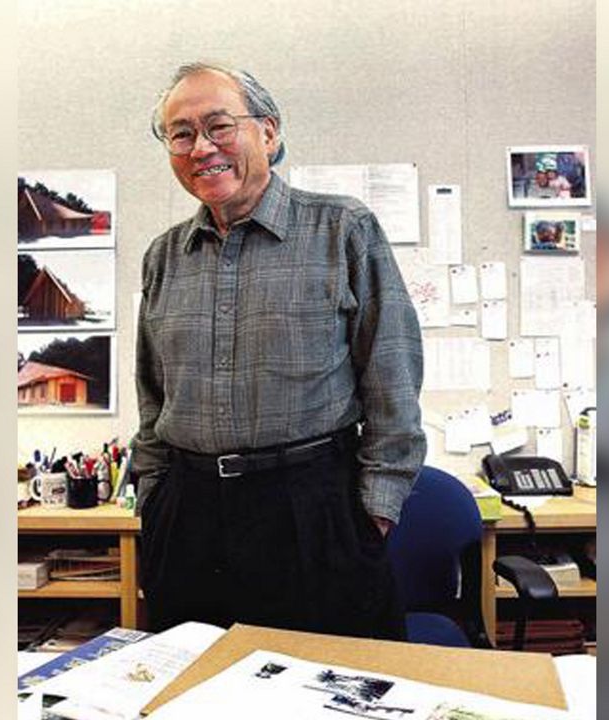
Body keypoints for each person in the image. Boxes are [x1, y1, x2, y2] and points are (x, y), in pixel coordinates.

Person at [131, 62, 425, 640]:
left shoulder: (342, 229)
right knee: (193, 691)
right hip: (189, 516)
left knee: (331, 690)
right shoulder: (164, 255)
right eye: (181, 134)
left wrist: (376, 511)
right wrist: (153, 497)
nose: (201, 148)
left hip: (312, 510)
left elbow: (392, 378)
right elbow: (151, 394)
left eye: (219, 126)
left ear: (268, 133)